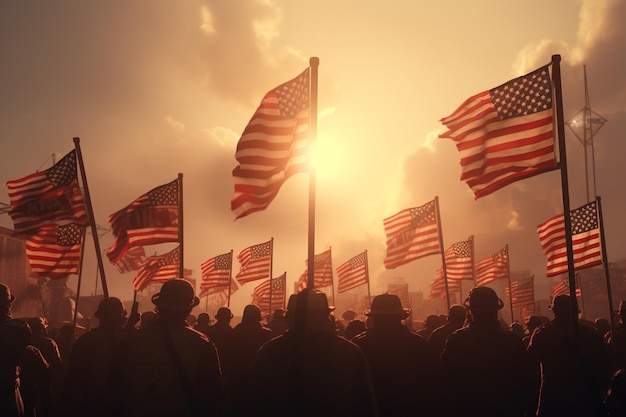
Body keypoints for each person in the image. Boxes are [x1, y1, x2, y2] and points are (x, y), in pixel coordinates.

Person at [246, 288, 377, 417]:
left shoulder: (269, 352)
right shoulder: (348, 352)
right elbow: (364, 406)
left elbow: (254, 403)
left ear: (289, 318)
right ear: (326, 317)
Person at [108, 278, 222, 417]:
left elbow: (113, 390)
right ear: (189, 308)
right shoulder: (202, 344)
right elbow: (213, 396)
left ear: (159, 305)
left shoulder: (130, 342)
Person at [440, 286, 531, 417]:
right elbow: (526, 381)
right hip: (506, 409)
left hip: (468, 408)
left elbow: (445, 379)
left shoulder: (457, 340)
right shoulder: (513, 341)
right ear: (495, 311)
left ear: (471, 312)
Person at [353, 293, 438, 417]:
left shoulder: (359, 345)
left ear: (373, 318)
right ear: (400, 317)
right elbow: (432, 386)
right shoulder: (419, 344)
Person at [528, 294, 611, 417]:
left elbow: (529, 365)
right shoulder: (591, 333)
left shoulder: (542, 333)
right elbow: (604, 367)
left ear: (554, 311)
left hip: (554, 400)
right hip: (584, 399)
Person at [63, 296, 129, 417]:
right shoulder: (131, 340)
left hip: (96, 400)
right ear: (122, 316)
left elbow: (72, 375)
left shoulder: (86, 340)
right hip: (111, 401)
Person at [224, 305, 273, 416]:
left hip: (237, 378)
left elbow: (226, 356)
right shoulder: (266, 334)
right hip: (260, 379)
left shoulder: (234, 333)